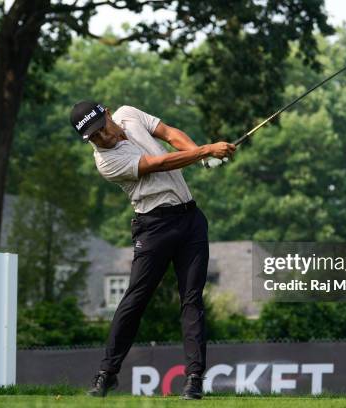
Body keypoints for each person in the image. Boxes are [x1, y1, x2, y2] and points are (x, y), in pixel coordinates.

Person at [69, 100, 235, 399]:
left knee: (192, 300)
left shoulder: (128, 114)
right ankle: (107, 374)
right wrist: (205, 151)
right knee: (135, 299)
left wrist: (202, 155)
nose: (101, 138)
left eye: (100, 129)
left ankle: (194, 380)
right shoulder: (105, 162)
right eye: (92, 137)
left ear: (107, 114)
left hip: (190, 220)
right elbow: (158, 164)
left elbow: (170, 134)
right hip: (154, 226)